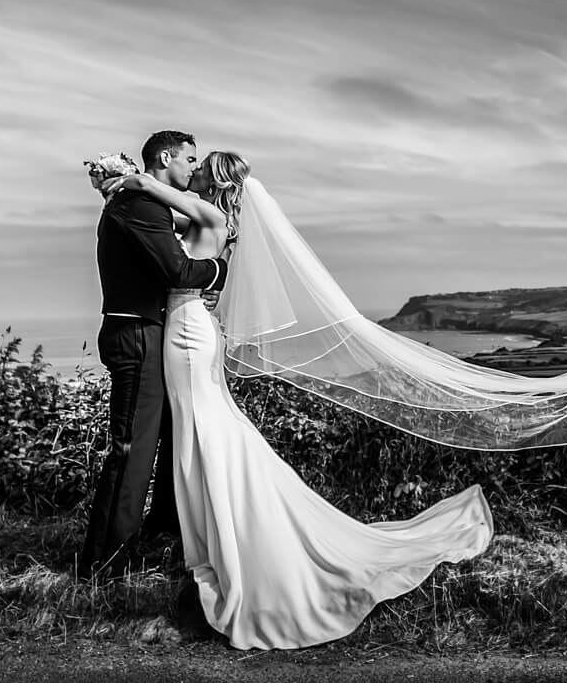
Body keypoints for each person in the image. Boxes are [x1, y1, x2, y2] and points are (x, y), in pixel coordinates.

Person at [97, 151, 492, 650]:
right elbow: (159, 226)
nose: (192, 172)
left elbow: (163, 214)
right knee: (205, 426)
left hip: (188, 333)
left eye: (200, 167)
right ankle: (214, 525)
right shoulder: (205, 212)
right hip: (189, 329)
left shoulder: (210, 214)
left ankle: (233, 529)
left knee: (208, 428)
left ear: (213, 178)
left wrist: (127, 179)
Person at [76, 131, 231, 579]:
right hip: (138, 335)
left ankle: (159, 534)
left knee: (169, 436)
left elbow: (195, 230)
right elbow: (177, 270)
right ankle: (103, 565)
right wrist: (220, 267)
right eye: (188, 160)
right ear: (166, 157)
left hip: (150, 331)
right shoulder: (140, 205)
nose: (192, 169)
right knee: (132, 451)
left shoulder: (147, 201)